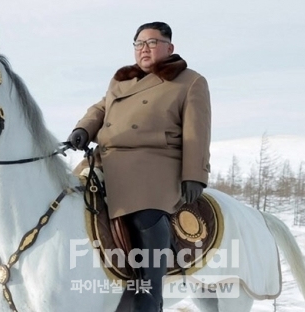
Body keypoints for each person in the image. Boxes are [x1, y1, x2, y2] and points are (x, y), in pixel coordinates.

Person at [67, 21, 211, 312]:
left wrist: (195, 174)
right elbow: (101, 108)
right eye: (139, 43)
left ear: (169, 48)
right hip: (105, 158)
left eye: (152, 42)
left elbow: (197, 131)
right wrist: (83, 128)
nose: (144, 49)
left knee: (145, 218)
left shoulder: (189, 81)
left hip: (153, 165)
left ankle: (148, 296)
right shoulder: (122, 80)